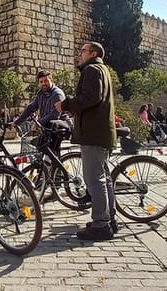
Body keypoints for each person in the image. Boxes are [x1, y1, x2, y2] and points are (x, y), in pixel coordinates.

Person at [55, 41, 117, 241]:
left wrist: (66, 105)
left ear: (94, 53)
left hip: (93, 132)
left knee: (94, 180)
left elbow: (91, 97)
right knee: (104, 179)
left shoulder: (92, 69)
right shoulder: (103, 70)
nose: (79, 54)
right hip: (101, 132)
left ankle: (101, 225)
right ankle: (109, 219)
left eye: (83, 51)